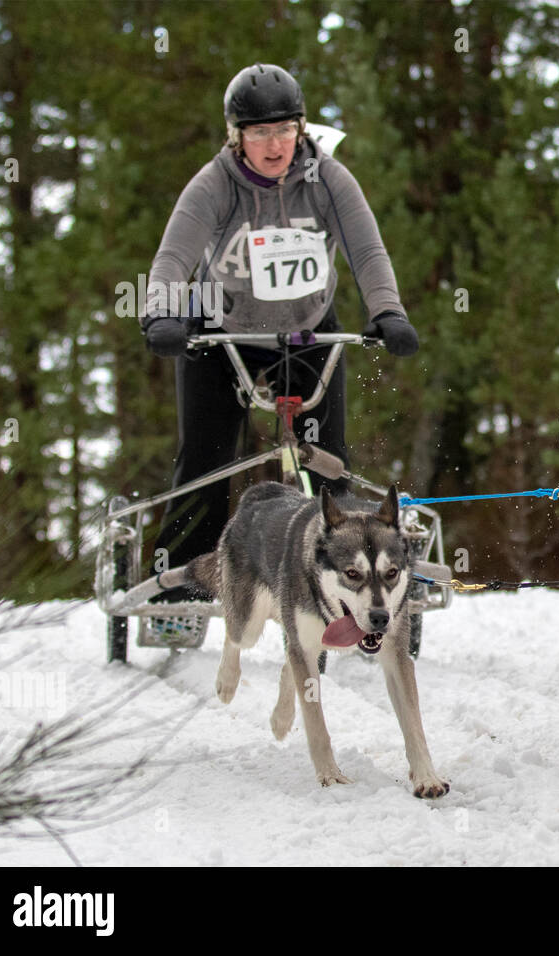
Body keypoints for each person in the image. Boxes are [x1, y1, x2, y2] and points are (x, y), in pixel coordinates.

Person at [141, 63, 418, 643]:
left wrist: (388, 312)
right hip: (220, 334)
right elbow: (174, 257)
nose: (273, 145)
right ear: (235, 136)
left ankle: (342, 584)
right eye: (258, 133)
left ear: (301, 127)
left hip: (307, 332)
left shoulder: (327, 179)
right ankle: (182, 588)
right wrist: (161, 313)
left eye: (283, 130)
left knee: (327, 463)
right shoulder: (214, 183)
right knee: (208, 460)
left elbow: (367, 251)